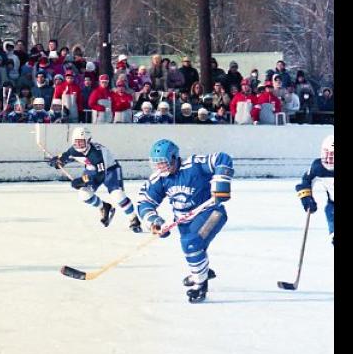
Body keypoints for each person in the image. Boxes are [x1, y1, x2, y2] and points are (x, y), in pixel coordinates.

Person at [137, 139, 234, 303]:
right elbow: (145, 203)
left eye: (163, 163)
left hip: (211, 212)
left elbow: (222, 158)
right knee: (193, 247)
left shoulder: (194, 165)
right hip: (185, 221)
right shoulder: (159, 178)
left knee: (191, 243)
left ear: (174, 158)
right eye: (157, 164)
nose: (160, 168)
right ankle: (201, 271)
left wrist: (221, 183)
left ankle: (200, 285)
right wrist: (154, 221)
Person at [48, 127, 142, 231]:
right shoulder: (74, 149)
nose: (78, 145)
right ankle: (104, 206)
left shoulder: (96, 154)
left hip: (110, 170)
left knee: (117, 195)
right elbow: (67, 156)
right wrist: (58, 161)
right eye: (76, 142)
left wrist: (83, 181)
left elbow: (100, 176)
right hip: (92, 170)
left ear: (88, 141)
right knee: (84, 195)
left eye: (81, 142)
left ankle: (133, 218)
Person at [295, 135, 334, 245]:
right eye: (328, 154)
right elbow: (305, 182)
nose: (330, 159)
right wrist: (307, 198)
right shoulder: (318, 167)